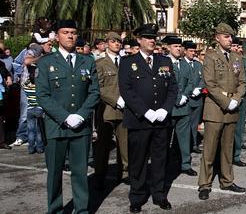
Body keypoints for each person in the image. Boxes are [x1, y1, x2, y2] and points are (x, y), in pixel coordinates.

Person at [35, 20, 100, 214]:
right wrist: (65, 117)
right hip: (56, 126)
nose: (70, 36)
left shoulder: (87, 61)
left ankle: (81, 210)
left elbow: (94, 92)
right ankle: (54, 209)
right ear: (56, 36)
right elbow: (42, 95)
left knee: (80, 173)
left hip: (81, 126)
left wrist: (81, 115)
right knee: (54, 173)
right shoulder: (46, 62)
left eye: (73, 32)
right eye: (65, 32)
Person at [118, 23, 178, 213]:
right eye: (148, 37)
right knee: (138, 161)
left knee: (160, 160)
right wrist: (145, 112)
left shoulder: (164, 61)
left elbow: (173, 88)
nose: (152, 41)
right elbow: (126, 91)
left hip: (161, 121)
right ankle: (137, 197)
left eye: (154, 38)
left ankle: (159, 195)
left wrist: (165, 109)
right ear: (139, 40)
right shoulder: (128, 62)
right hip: (139, 120)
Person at [197, 23, 246, 200]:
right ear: (217, 37)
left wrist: (236, 99)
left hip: (232, 107)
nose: (230, 39)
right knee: (210, 149)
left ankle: (227, 181)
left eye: (231, 36)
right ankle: (204, 184)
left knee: (228, 148)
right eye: (226, 36)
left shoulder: (236, 57)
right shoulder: (210, 57)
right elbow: (210, 83)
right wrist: (227, 101)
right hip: (216, 108)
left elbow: (242, 82)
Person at [93, 31, 129, 189]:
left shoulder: (126, 62)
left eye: (119, 42)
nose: (117, 44)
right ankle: (100, 174)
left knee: (125, 144)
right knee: (103, 145)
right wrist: (115, 100)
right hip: (107, 110)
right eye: (113, 41)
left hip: (125, 110)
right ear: (106, 43)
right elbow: (98, 87)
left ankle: (125, 173)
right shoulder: (100, 63)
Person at [165, 36, 198, 177]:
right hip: (169, 108)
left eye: (179, 46)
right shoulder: (163, 63)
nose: (178, 49)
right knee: (165, 139)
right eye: (175, 46)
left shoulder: (184, 64)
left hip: (183, 108)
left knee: (184, 139)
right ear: (168, 47)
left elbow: (191, 82)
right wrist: (178, 97)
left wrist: (185, 95)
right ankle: (164, 164)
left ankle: (185, 164)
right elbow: (165, 84)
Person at [182, 40, 205, 154]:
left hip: (197, 99)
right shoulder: (181, 63)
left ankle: (194, 144)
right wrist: (190, 91)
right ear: (185, 51)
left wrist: (199, 88)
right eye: (190, 51)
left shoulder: (198, 64)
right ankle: (184, 146)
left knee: (195, 124)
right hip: (185, 100)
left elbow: (203, 79)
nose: (193, 53)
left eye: (194, 51)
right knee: (184, 125)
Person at [232, 37, 246, 167]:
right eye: (235, 46)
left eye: (238, 47)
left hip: (242, 98)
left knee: (239, 128)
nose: (237, 49)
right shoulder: (228, 59)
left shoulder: (243, 60)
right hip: (230, 98)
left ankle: (236, 155)